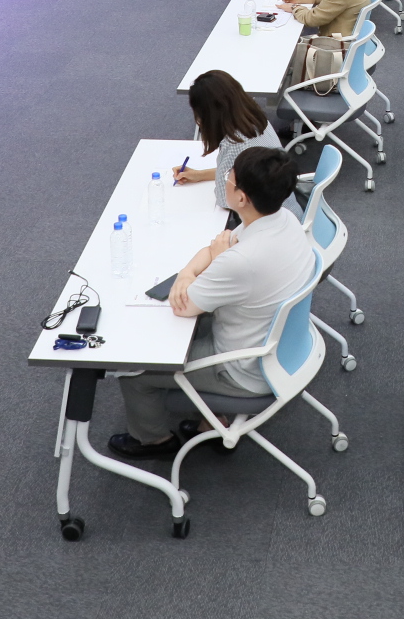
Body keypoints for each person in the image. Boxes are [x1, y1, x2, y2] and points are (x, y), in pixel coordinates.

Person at [110, 147, 311, 459]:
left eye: (228, 180)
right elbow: (217, 246)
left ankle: (154, 441)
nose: (224, 182)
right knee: (195, 321)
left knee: (134, 370)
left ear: (241, 198)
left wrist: (189, 277)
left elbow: (184, 305)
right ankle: (211, 422)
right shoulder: (282, 219)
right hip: (285, 346)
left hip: (243, 370)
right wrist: (194, 270)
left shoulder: (243, 260)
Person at [175, 69, 285, 216]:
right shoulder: (255, 120)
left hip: (269, 221)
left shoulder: (234, 143)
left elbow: (224, 199)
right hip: (285, 204)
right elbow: (241, 173)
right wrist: (199, 175)